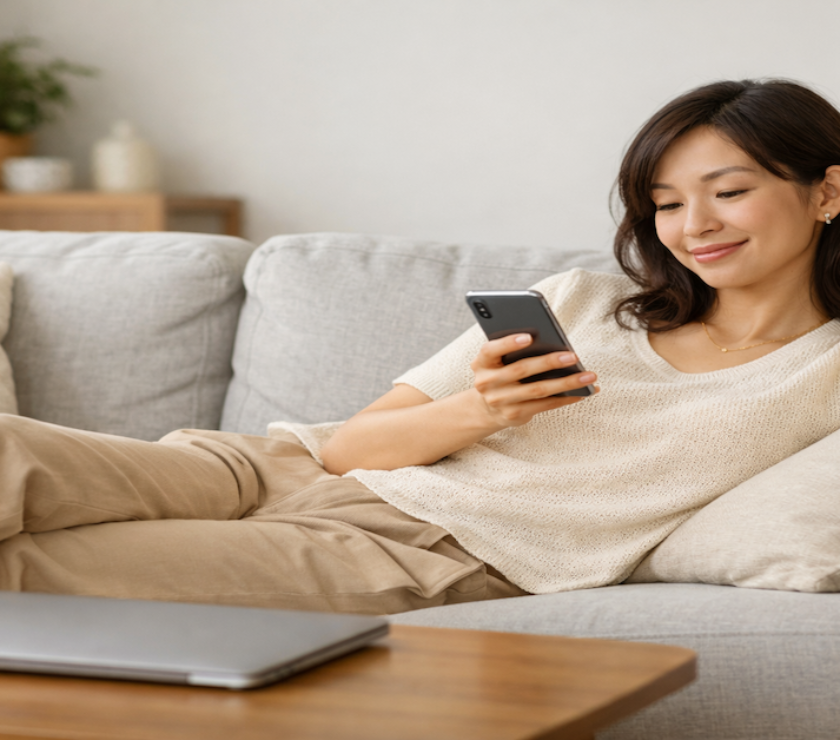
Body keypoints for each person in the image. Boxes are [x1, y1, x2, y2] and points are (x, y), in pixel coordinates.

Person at [1, 78, 839, 614]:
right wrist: (481, 408)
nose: (695, 226)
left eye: (730, 192)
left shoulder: (823, 367)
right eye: (665, 202)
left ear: (827, 191)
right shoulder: (580, 301)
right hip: (271, 469)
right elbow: (350, 449)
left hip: (424, 551)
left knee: (32, 572)